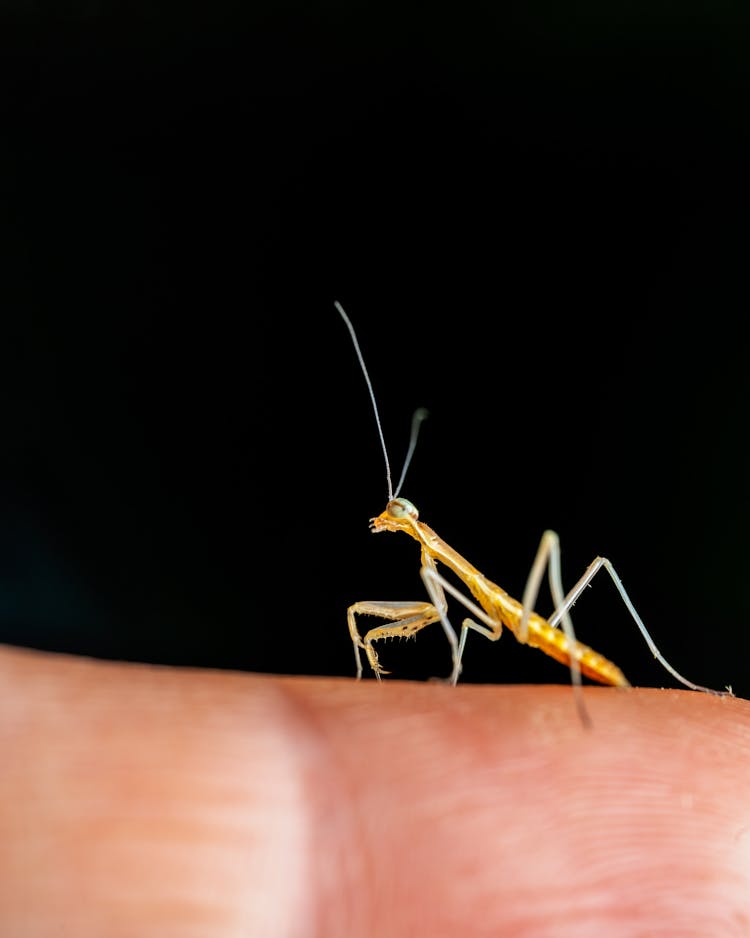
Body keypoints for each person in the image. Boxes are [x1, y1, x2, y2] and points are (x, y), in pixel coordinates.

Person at [0, 643, 747, 936]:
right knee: (366, 620)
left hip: (549, 633)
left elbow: (470, 626)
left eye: (401, 518)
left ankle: (671, 676)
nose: (391, 520)